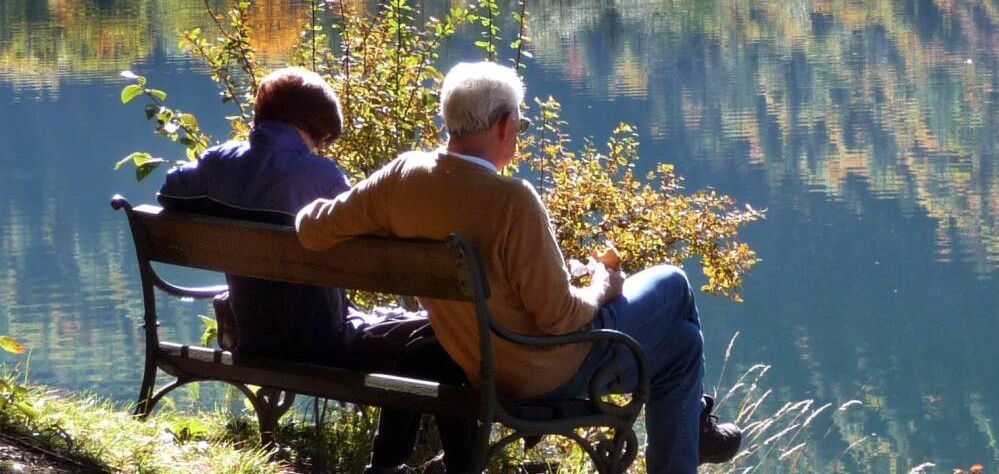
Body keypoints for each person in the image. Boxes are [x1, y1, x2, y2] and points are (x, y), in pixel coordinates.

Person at [295, 61, 742, 474]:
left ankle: (696, 425)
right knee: (674, 283)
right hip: (541, 372)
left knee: (682, 347)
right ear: (506, 125)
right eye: (521, 125)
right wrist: (602, 286)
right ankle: (698, 422)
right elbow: (561, 317)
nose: (519, 133)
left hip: (477, 361)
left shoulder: (401, 178)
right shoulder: (511, 200)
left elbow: (311, 228)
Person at [158, 67, 473, 474]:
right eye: (323, 139)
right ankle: (415, 467)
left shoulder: (219, 163)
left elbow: (168, 189)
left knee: (421, 336)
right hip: (324, 341)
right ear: (313, 129)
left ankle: (396, 466)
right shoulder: (318, 176)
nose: (321, 148)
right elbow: (376, 243)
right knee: (441, 337)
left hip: (255, 338)